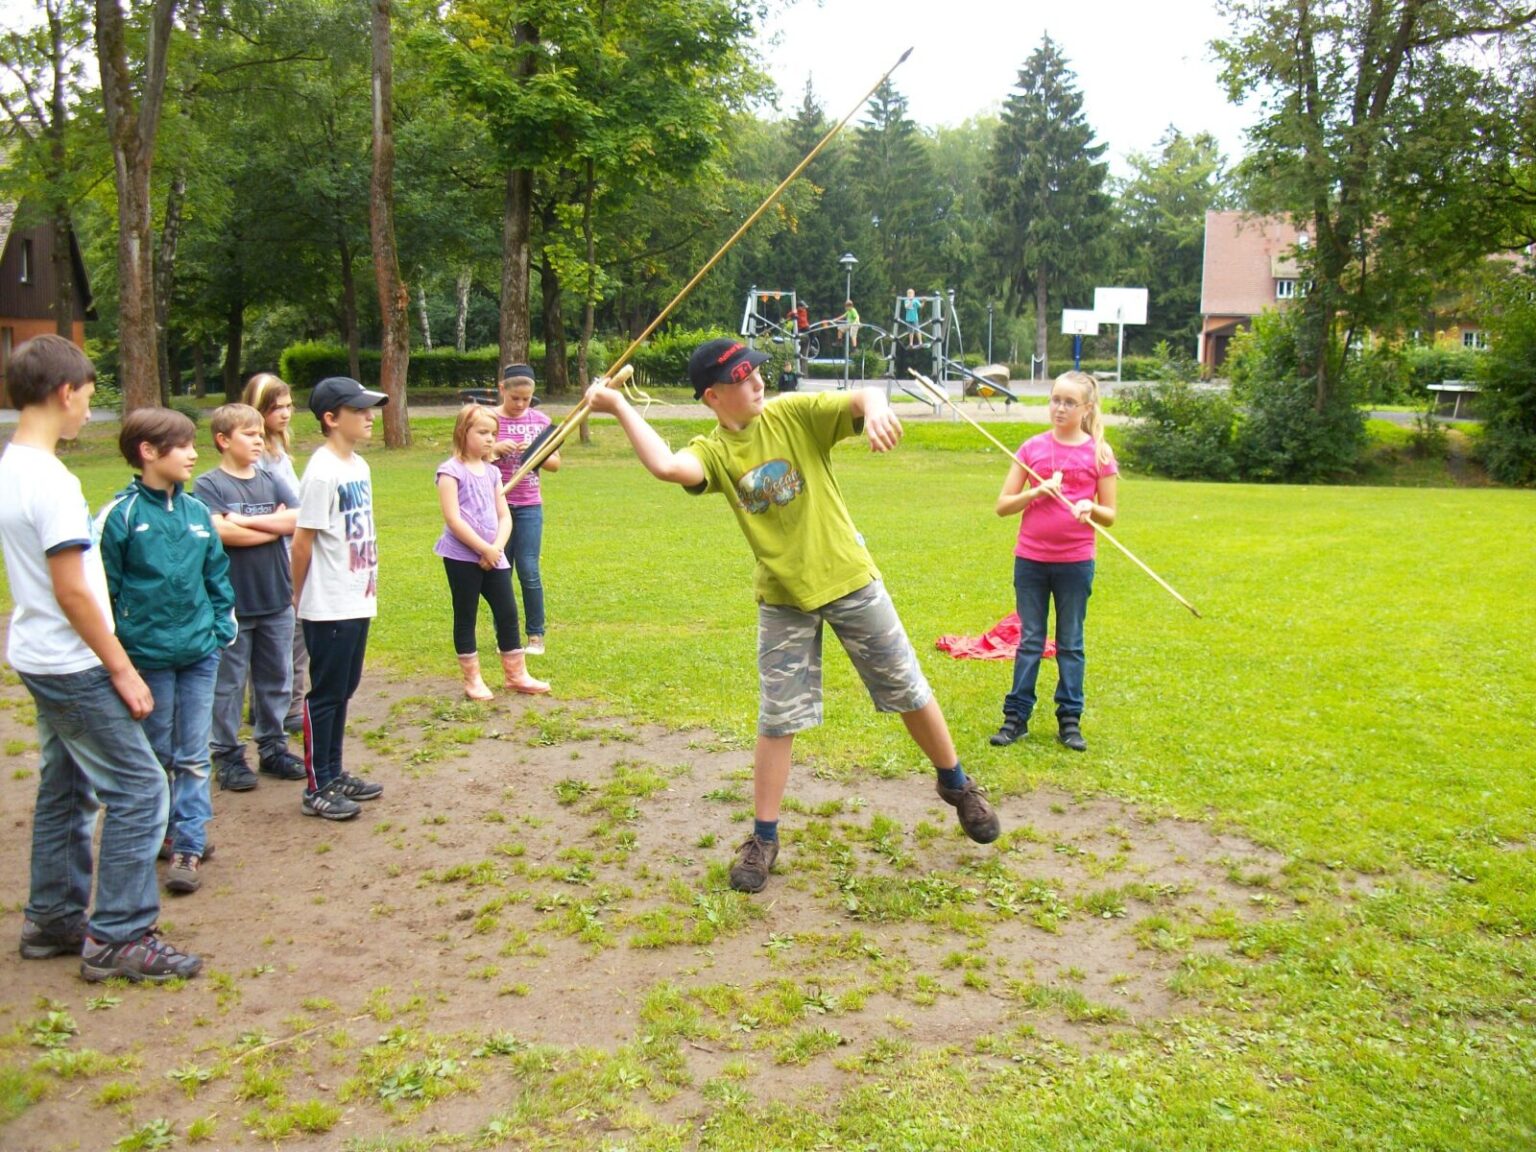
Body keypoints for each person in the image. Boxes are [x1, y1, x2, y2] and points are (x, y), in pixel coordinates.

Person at [584, 337, 1001, 895]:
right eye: (741, 377)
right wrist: (617, 407)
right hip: (782, 597)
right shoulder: (713, 451)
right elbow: (666, 465)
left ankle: (957, 785)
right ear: (713, 395)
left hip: (850, 578)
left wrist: (877, 410)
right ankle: (763, 838)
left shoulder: (792, 415)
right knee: (778, 716)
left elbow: (862, 397)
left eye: (756, 370)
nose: (756, 381)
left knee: (907, 686)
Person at [0, 336, 203, 981]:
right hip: (73, 662)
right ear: (64, 394)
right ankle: (119, 935)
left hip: (38, 654)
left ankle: (54, 918)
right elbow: (72, 591)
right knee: (142, 790)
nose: (90, 411)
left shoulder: (13, 466)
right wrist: (120, 666)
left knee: (68, 784)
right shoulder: (53, 482)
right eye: (88, 399)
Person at [97, 408, 236, 896]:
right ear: (148, 452)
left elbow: (217, 577)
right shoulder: (121, 516)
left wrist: (220, 628)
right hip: (147, 658)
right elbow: (104, 592)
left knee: (195, 754)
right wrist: (121, 650)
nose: (195, 453)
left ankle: (188, 844)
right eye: (183, 446)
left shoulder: (198, 512)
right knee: (157, 754)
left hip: (200, 653)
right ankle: (163, 830)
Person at [990, 370, 1118, 752]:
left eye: (1068, 402)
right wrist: (1037, 492)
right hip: (1031, 560)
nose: (1059, 408)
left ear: (1086, 408)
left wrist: (1089, 506)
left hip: (1076, 562)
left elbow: (1109, 514)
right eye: (1054, 400)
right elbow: (1002, 506)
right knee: (1030, 640)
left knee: (1070, 642)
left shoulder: (1098, 453)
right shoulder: (1032, 449)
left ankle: (1069, 720)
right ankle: (1016, 718)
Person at [195, 403, 307, 795]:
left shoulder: (269, 479)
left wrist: (240, 521)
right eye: (250, 434)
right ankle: (226, 755)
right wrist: (269, 528)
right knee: (227, 684)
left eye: (261, 433)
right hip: (232, 603)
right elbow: (219, 533)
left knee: (276, 678)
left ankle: (273, 748)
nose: (260, 440)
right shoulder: (209, 485)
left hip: (276, 597)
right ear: (223, 440)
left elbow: (298, 518)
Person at [292, 376, 388, 820]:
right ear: (331, 419)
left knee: (345, 688)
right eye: (359, 410)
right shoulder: (321, 470)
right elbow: (302, 541)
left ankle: (334, 772)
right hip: (328, 602)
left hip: (356, 598)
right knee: (326, 694)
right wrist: (298, 598)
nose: (370, 416)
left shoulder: (358, 467)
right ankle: (317, 786)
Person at [437, 404, 550, 698]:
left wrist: (496, 548)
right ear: (463, 433)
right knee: (466, 615)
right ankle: (472, 679)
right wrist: (483, 548)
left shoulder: (492, 473)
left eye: (493, 433)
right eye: (482, 432)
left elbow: (504, 515)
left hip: (494, 556)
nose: (489, 439)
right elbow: (453, 519)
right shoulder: (449, 472)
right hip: (462, 557)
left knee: (508, 612)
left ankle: (517, 675)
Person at [242, 372, 308, 735]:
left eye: (287, 406)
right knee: (288, 632)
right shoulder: (260, 457)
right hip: (274, 557)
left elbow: (294, 511)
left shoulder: (278, 452)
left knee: (286, 632)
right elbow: (289, 511)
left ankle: (272, 704)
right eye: (274, 408)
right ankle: (287, 706)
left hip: (284, 550)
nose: (284, 414)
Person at [490, 364, 560, 657]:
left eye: (526, 399)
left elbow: (555, 464)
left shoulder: (540, 420)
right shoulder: (487, 419)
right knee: (500, 572)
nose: (520, 404)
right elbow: (469, 458)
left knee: (529, 570)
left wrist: (537, 453)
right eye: (514, 398)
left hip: (530, 505)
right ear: (502, 389)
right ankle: (506, 637)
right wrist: (495, 448)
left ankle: (535, 636)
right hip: (496, 505)